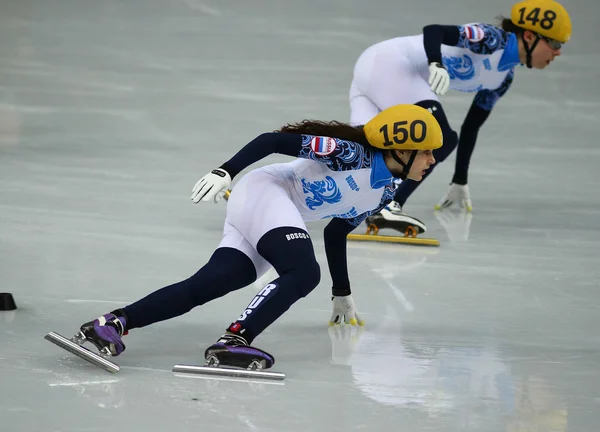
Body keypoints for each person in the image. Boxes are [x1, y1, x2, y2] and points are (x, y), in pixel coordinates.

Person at [71, 104, 443, 370]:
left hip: (273, 212)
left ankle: (110, 324)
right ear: (400, 147)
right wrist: (225, 171)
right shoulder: (350, 154)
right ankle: (235, 341)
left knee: (206, 285)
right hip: (267, 193)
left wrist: (342, 293)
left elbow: (336, 230)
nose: (432, 161)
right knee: (303, 273)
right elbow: (272, 140)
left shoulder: (385, 191)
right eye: (426, 152)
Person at [348, 0, 572, 234]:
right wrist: (436, 63)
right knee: (438, 138)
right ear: (528, 36)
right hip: (393, 64)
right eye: (554, 43)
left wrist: (460, 180)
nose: (558, 52)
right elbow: (435, 30)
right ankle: (388, 204)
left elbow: (470, 128)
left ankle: (313, 188)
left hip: (371, 68)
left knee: (356, 152)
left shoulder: (502, 80)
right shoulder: (492, 39)